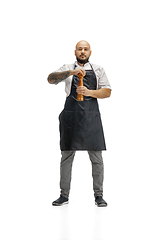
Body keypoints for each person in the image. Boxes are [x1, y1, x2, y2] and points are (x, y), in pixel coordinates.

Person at [47, 40, 111, 207]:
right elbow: (50, 79)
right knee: (66, 157)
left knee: (97, 158)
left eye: (86, 49)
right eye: (80, 49)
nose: (83, 51)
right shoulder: (67, 68)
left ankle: (99, 196)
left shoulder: (98, 69)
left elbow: (107, 92)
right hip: (71, 118)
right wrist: (71, 72)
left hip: (91, 118)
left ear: (90, 52)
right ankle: (64, 195)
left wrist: (89, 92)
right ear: (75, 51)